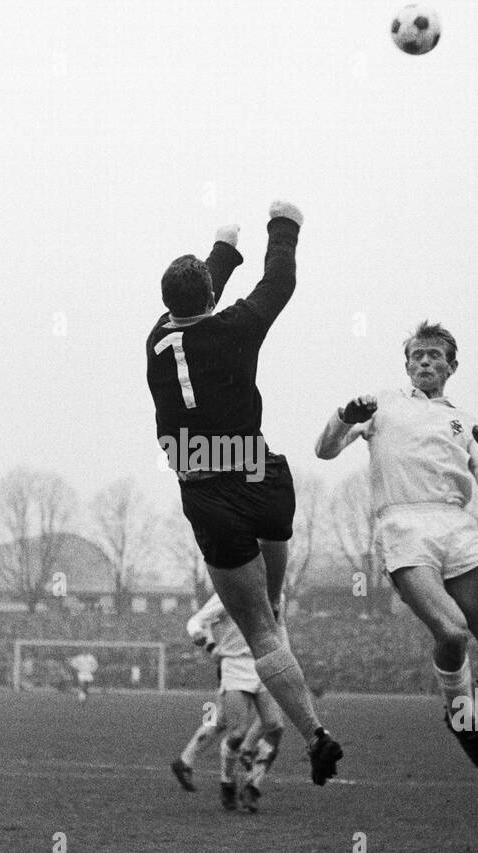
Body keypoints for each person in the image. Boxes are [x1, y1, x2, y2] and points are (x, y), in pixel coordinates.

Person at [146, 201, 342, 785]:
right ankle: (279, 620)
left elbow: (198, 295)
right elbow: (278, 279)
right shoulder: (235, 328)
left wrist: (221, 248)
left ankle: (316, 735)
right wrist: (282, 227)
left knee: (259, 630)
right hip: (256, 470)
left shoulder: (156, 338)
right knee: (273, 612)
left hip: (204, 488)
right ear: (209, 298)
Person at [315, 322, 478, 824]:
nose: (425, 363)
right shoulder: (382, 405)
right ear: (407, 363)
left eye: (436, 356)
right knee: (453, 632)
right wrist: (340, 417)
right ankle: (461, 713)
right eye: (417, 355)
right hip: (404, 526)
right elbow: (324, 450)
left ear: (452, 366)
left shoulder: (462, 420)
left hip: (458, 528)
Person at [172, 593, 284, 812]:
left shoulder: (277, 594)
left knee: (273, 726)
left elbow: (280, 630)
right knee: (233, 728)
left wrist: (285, 662)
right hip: (235, 666)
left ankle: (251, 787)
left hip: (266, 665)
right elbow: (196, 621)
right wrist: (209, 645)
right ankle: (226, 778)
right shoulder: (231, 588)